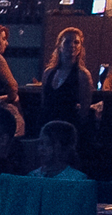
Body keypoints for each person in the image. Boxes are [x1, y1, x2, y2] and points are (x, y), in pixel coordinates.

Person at [41, 27, 96, 164]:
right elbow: (44, 101)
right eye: (67, 42)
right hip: (48, 123)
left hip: (68, 126)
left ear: (80, 47)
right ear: (59, 45)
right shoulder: (48, 72)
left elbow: (85, 109)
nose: (72, 45)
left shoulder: (82, 75)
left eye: (76, 42)